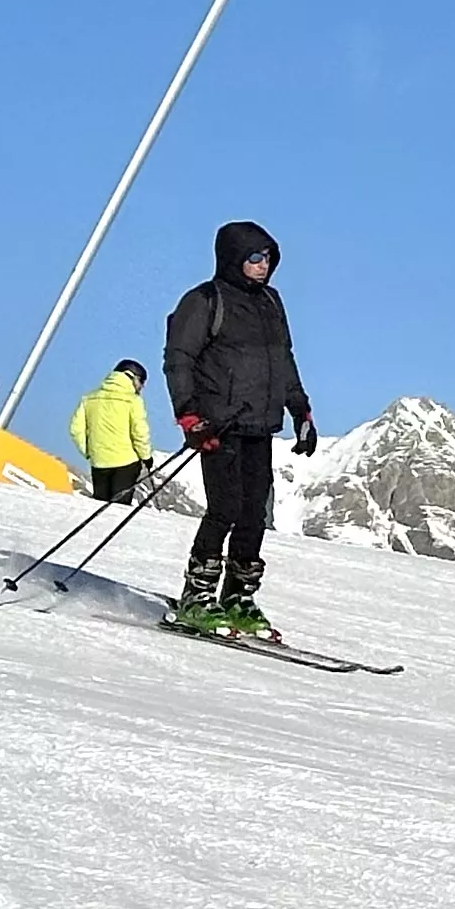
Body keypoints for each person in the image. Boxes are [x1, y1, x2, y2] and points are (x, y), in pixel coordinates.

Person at [162, 220, 317, 635]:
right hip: (219, 424)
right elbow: (179, 360)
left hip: (259, 424)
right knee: (225, 508)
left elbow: (283, 360)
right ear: (233, 258)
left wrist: (300, 410)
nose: (263, 265)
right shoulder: (204, 301)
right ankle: (197, 597)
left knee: (253, 515)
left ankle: (238, 598)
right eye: (254, 257)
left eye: (268, 257)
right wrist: (189, 416)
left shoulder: (271, 302)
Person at [69, 358, 156, 503]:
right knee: (118, 510)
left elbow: (75, 429)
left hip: (99, 462)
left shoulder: (88, 399)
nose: (142, 387)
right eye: (142, 382)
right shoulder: (133, 401)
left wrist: (89, 451)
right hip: (126, 462)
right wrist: (146, 456)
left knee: (100, 507)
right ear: (133, 377)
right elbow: (139, 432)